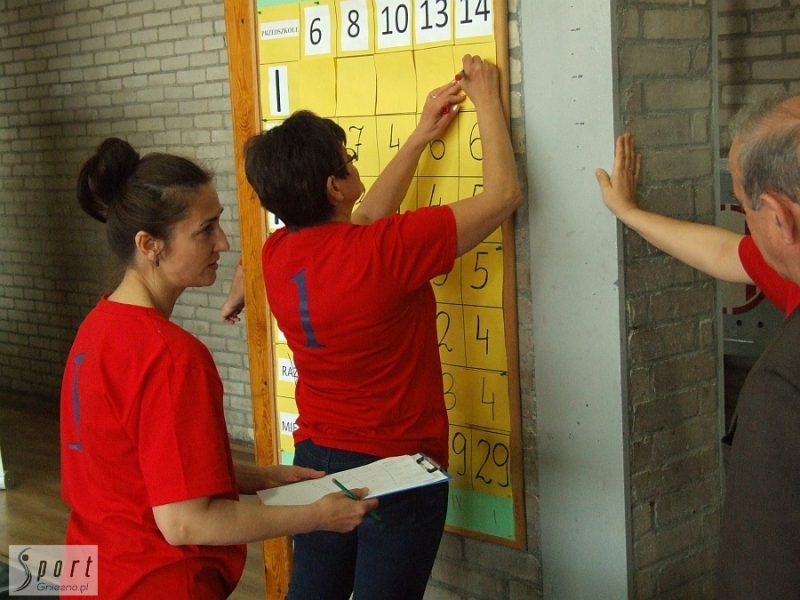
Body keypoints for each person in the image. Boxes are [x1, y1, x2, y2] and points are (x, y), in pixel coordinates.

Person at [242, 54, 522, 600]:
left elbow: (362, 220)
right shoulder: (385, 253)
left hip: (315, 461)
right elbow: (503, 196)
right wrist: (489, 99)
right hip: (397, 471)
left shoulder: (277, 253)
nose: (353, 164)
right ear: (334, 187)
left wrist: (419, 137)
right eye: (347, 160)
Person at [61, 138, 378, 599]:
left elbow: (133, 470)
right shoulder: (170, 355)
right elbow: (185, 521)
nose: (224, 243)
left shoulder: (96, 326)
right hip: (156, 582)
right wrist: (318, 516)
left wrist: (259, 477)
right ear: (149, 245)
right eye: (205, 230)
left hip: (89, 576)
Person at [598, 98, 800, 598]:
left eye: (747, 208)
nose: (747, 224)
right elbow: (726, 253)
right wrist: (629, 212)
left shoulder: (781, 389)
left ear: (779, 217)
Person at [596, 133, 800, 317]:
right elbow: (722, 252)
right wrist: (629, 212)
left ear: (779, 216)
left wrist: (627, 211)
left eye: (744, 204)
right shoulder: (792, 263)